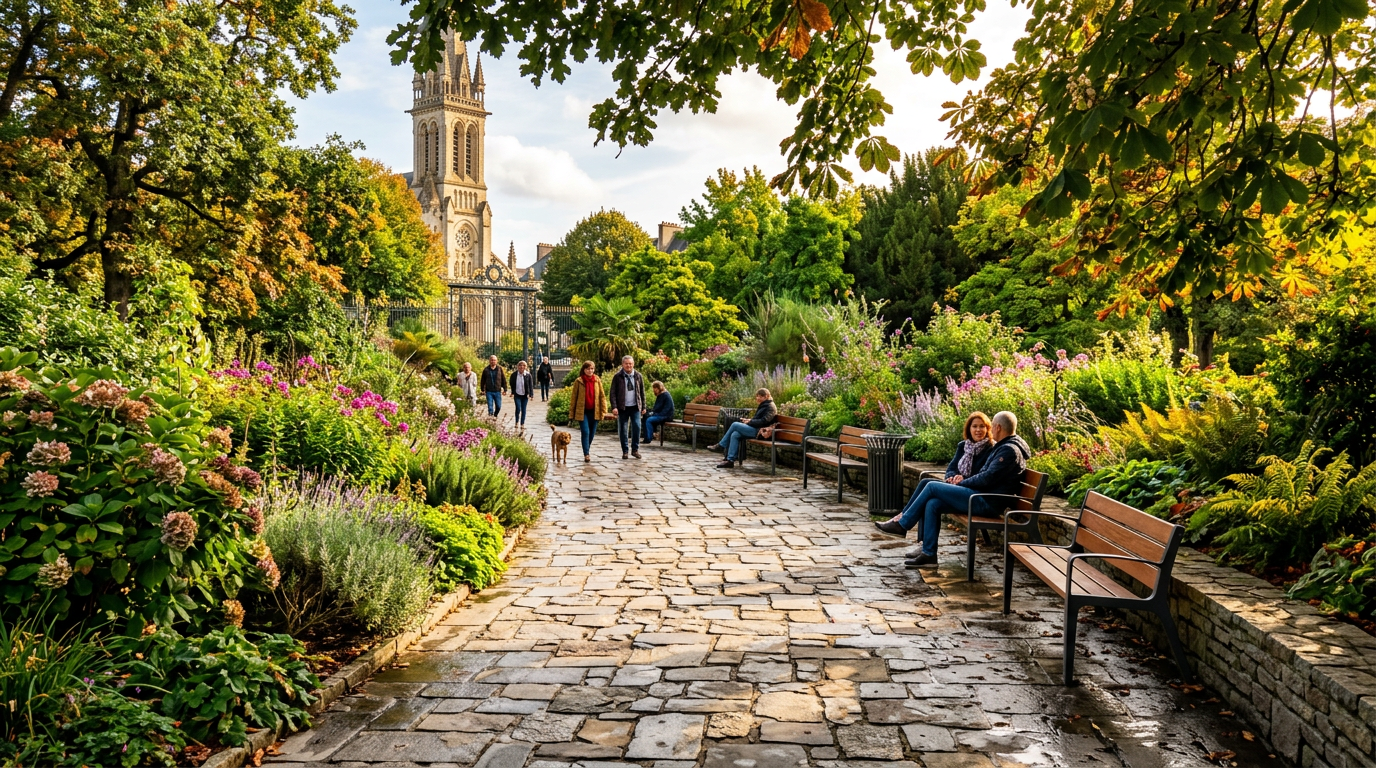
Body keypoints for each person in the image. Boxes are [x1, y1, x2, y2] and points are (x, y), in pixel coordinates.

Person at [875, 411, 1031, 568]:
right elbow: (984, 475)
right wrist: (958, 480)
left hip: (986, 502)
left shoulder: (1008, 450)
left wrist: (961, 483)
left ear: (997, 427)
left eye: (990, 425)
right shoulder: (1005, 447)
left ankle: (903, 524)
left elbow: (987, 478)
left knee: (931, 486)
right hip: (981, 496)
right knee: (933, 503)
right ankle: (928, 554)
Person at [876, 412, 994, 539]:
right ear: (968, 429)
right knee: (926, 484)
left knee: (931, 488)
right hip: (957, 487)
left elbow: (983, 476)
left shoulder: (991, 448)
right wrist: (952, 477)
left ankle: (902, 523)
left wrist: (963, 479)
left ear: (988, 429)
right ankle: (918, 540)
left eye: (982, 426)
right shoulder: (963, 446)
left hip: (971, 492)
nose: (978, 430)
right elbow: (951, 468)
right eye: (974, 426)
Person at [710, 388, 777, 469]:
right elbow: (758, 420)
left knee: (735, 425)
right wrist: (749, 420)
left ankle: (721, 445)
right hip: (755, 429)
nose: (757, 398)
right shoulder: (764, 405)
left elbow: (764, 421)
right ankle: (730, 461)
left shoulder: (770, 407)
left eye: (759, 396)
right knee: (735, 434)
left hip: (760, 432)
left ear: (766, 396)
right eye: (757, 396)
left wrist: (750, 422)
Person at [568, 361, 607, 462]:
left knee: (592, 433)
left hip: (595, 411)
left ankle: (587, 448)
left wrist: (604, 410)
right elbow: (574, 398)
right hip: (583, 411)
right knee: (585, 432)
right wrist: (571, 414)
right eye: (588, 369)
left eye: (592, 369)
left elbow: (602, 396)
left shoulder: (597, 380)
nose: (590, 371)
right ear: (584, 369)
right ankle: (586, 454)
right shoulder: (579, 381)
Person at [610, 355, 646, 459]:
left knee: (637, 427)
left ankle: (635, 450)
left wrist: (643, 406)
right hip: (623, 407)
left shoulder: (638, 376)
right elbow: (612, 393)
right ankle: (625, 451)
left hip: (635, 406)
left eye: (630, 363)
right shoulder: (617, 376)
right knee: (623, 429)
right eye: (626, 363)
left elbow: (642, 392)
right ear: (622, 364)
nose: (628, 365)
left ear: (633, 364)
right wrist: (614, 407)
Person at [509, 360, 534, 429]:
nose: (521, 367)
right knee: (518, 408)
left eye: (523, 365)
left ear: (525, 367)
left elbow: (530, 385)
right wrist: (512, 392)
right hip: (517, 394)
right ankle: (516, 422)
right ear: (518, 367)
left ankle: (522, 423)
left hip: (525, 395)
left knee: (524, 409)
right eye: (520, 365)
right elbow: (512, 383)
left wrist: (531, 394)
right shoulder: (514, 375)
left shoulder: (528, 375)